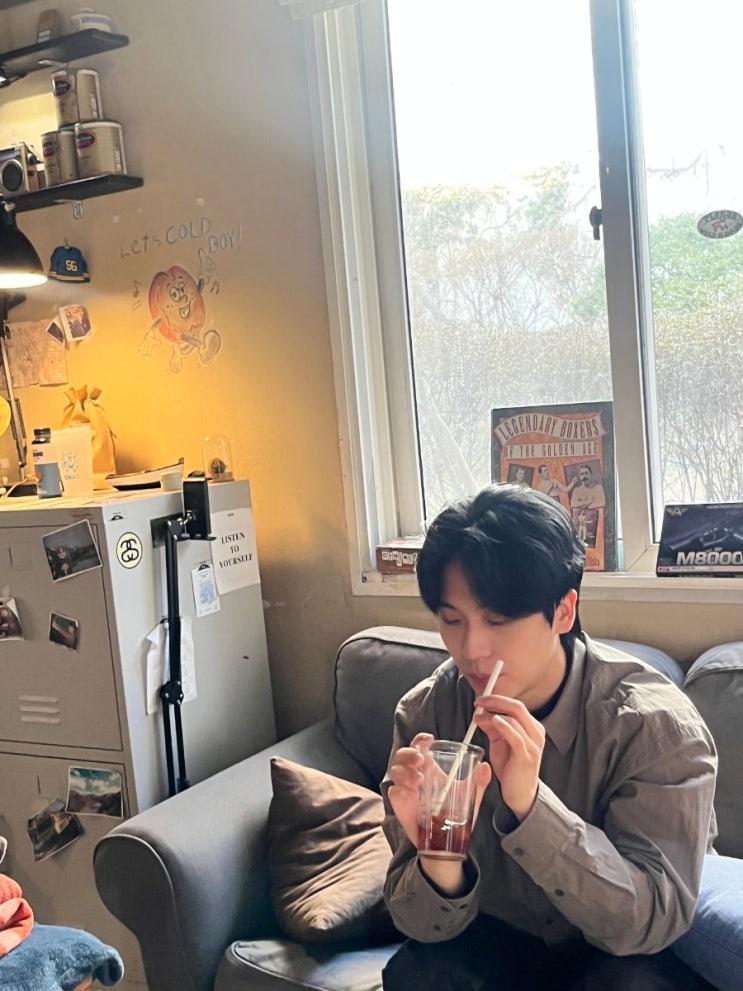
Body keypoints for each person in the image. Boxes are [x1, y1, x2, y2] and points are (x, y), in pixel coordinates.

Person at [381, 483, 717, 991]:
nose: (471, 649)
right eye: (451, 620)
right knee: (420, 973)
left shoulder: (652, 726)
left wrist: (531, 806)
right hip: (494, 941)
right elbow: (419, 924)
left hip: (616, 951)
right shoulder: (428, 715)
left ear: (563, 611)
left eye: (498, 620)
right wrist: (439, 854)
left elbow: (649, 922)